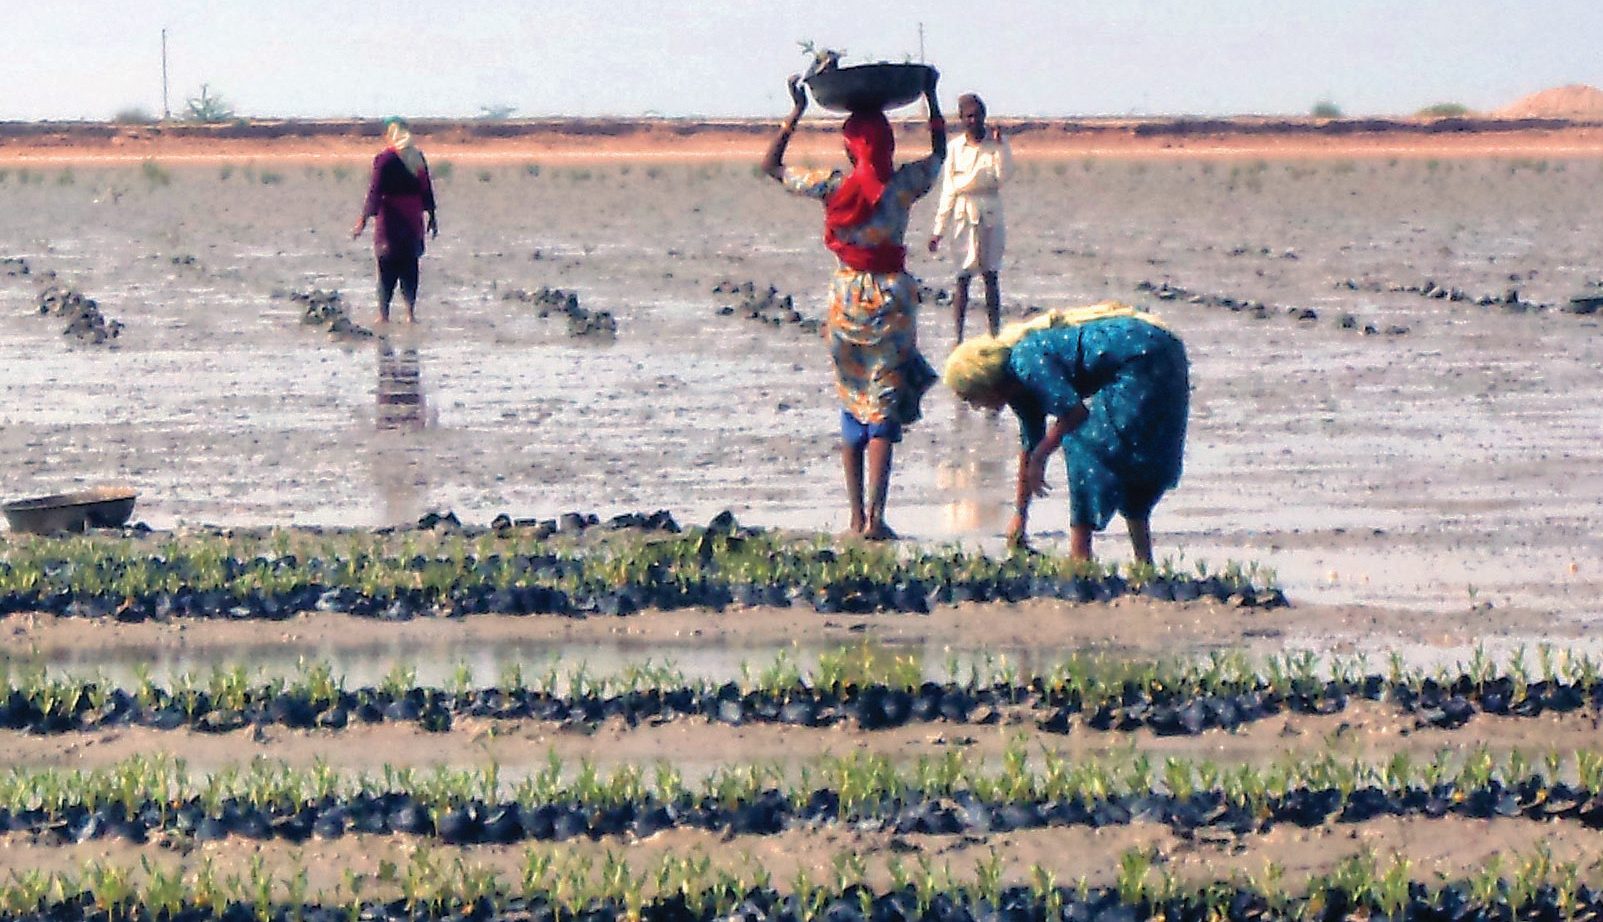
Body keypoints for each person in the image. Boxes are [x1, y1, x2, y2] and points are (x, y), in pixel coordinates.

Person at [762, 69, 947, 540]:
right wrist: (930, 95)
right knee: (883, 402)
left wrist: (795, 113)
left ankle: (851, 518)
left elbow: (772, 168)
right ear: (886, 146)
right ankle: (875, 518)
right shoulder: (904, 185)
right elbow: (941, 154)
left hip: (846, 300)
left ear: (850, 147)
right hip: (892, 299)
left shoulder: (832, 186)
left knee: (851, 400)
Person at [941, 303, 1189, 562]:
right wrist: (1019, 518)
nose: (977, 407)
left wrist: (1042, 455)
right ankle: (1144, 562)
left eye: (972, 398)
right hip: (1158, 349)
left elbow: (1074, 414)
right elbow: (1029, 446)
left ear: (985, 382)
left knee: (1086, 446)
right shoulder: (1018, 386)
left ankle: (1080, 557)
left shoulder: (1026, 362)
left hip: (1143, 355)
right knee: (1129, 457)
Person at [928, 94, 1012, 343]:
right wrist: (938, 231)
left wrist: (1000, 147)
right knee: (962, 276)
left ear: (984, 116)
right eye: (968, 116)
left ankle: (994, 334)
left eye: (977, 115)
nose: (973, 120)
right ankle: (958, 337)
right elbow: (948, 190)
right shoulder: (954, 148)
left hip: (990, 211)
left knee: (991, 275)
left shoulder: (996, 144)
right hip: (963, 214)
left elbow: (1004, 176)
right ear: (962, 119)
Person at [352, 117, 438, 324]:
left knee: (386, 268)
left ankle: (383, 316)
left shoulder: (384, 159)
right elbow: (426, 189)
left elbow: (375, 191)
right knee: (410, 266)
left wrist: (362, 220)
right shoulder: (417, 157)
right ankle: (410, 313)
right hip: (412, 218)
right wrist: (432, 216)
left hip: (390, 220)